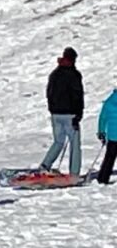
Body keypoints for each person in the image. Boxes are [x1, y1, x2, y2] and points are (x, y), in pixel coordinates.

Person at [40, 47, 83, 175]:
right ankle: (74, 173)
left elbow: (49, 93)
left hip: (55, 114)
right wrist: (78, 114)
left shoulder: (55, 74)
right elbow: (77, 96)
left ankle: (45, 165)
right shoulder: (74, 75)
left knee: (58, 142)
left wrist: (52, 109)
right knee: (75, 144)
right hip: (70, 114)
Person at [97, 87, 117, 185]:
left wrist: (101, 132)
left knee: (109, 158)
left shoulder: (108, 102)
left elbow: (102, 118)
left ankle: (102, 178)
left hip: (113, 136)